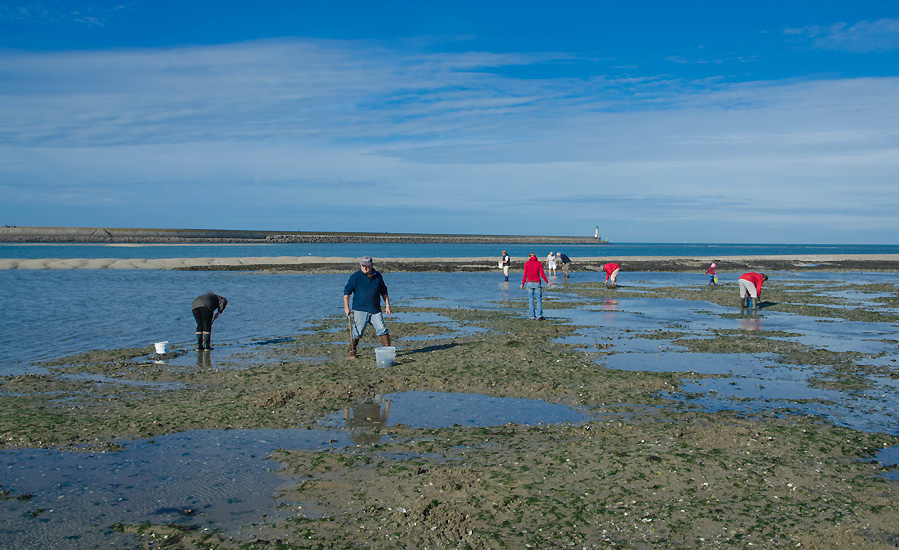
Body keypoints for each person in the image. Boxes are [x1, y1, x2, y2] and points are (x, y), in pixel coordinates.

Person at [344, 255, 391, 359]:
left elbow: (384, 292)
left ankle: (388, 350)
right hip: (360, 309)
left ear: (372, 265)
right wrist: (346, 307)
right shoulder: (355, 277)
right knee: (358, 332)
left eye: (367, 266)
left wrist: (387, 305)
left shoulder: (378, 276)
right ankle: (352, 350)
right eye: (362, 265)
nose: (364, 267)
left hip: (375, 310)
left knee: (382, 329)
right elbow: (346, 293)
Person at [521, 253, 551, 320]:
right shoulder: (539, 263)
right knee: (539, 300)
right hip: (537, 282)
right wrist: (547, 282)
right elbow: (542, 274)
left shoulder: (527, 264)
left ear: (529, 257)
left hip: (529, 283)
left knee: (531, 300)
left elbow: (525, 274)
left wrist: (522, 283)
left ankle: (532, 316)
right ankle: (539, 316)